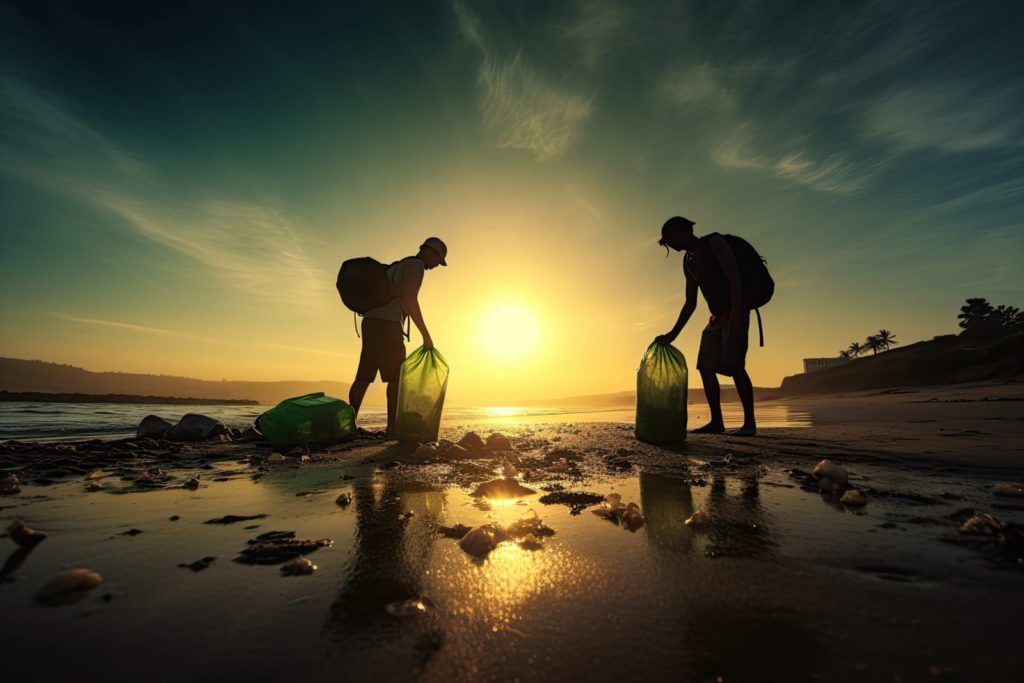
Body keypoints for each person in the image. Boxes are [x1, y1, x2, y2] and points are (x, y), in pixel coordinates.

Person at [655, 216, 757, 436]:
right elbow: (690, 303)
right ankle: (717, 422)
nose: (670, 244)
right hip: (716, 318)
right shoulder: (688, 262)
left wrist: (739, 314)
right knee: (705, 366)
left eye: (670, 238)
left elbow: (734, 278)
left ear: (684, 231)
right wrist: (672, 334)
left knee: (735, 365)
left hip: (736, 310)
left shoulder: (714, 242)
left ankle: (750, 423)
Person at [349, 237, 446, 435]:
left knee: (363, 377)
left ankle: (349, 425)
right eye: (438, 260)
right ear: (431, 252)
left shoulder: (397, 266)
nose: (436, 266)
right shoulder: (416, 266)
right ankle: (392, 428)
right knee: (395, 379)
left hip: (370, 322)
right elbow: (411, 299)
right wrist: (426, 335)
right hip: (388, 325)